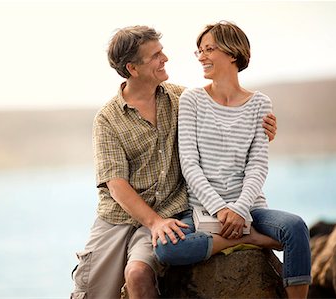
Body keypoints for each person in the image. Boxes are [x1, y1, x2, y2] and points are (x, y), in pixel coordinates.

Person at [70, 25, 278, 299]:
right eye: (156, 55)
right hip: (117, 219)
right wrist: (154, 222)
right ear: (133, 69)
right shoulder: (107, 119)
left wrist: (263, 132)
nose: (165, 59)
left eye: (162, 52)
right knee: (90, 292)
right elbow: (116, 185)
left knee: (137, 274)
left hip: (170, 213)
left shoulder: (185, 100)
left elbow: (229, 131)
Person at [154, 21, 311, 299]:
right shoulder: (192, 100)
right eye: (199, 51)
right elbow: (189, 163)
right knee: (167, 248)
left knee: (296, 227)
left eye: (209, 49)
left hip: (250, 208)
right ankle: (248, 238)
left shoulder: (260, 103)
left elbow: (257, 165)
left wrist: (239, 210)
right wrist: (221, 209)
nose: (201, 56)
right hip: (202, 211)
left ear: (233, 53)